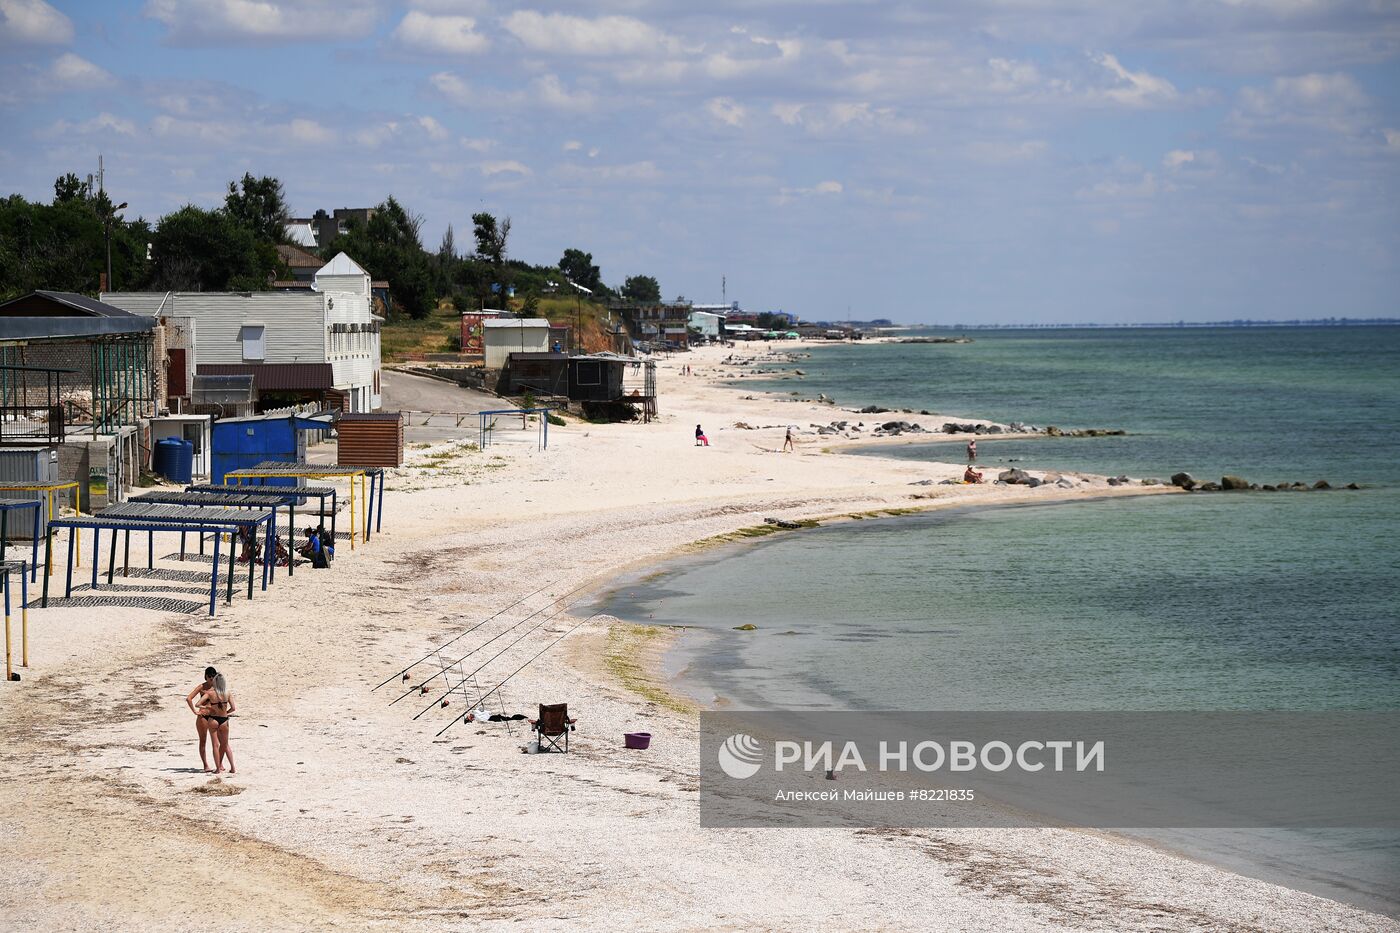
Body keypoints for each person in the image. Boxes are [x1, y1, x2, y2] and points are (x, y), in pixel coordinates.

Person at [197, 672, 236, 774]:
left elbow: (198, 704)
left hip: (213, 719)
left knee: (215, 745)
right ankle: (232, 767)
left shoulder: (210, 693)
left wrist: (208, 707)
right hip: (224, 720)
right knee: (225, 744)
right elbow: (233, 708)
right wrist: (226, 713)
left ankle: (218, 769)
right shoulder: (227, 693)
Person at [185, 666, 218, 772]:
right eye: (209, 677)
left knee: (217, 742)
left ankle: (219, 764)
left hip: (214, 716)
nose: (211, 679)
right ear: (206, 676)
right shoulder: (202, 687)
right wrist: (194, 711)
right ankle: (205, 765)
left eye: (213, 677)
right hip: (203, 716)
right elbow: (189, 698)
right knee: (203, 741)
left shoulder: (218, 687)